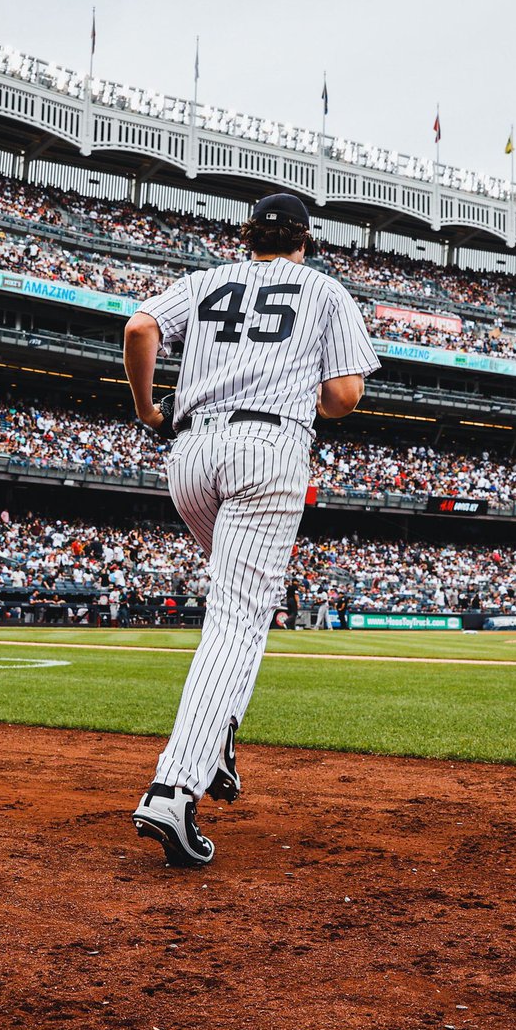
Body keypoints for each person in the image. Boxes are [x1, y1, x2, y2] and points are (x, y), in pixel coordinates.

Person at [124, 191, 379, 866]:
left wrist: (151, 410)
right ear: (305, 240)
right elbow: (346, 396)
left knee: (242, 607)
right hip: (267, 448)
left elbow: (138, 331)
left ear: (247, 237)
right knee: (237, 618)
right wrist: (308, 386)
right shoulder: (323, 289)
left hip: (190, 456)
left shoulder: (204, 282)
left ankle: (217, 741)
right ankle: (175, 787)